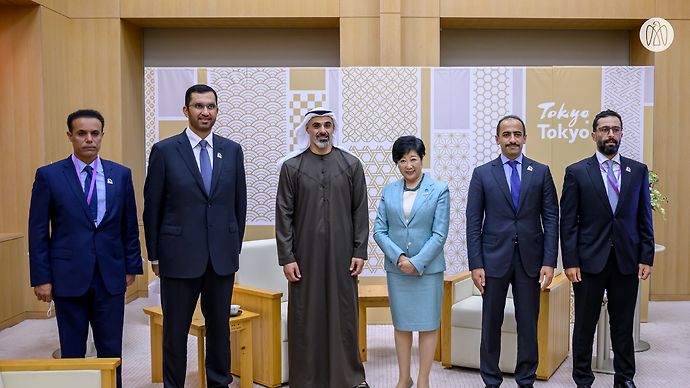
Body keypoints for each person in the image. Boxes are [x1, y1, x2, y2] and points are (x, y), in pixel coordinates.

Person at [28, 109, 142, 388]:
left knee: (111, 349)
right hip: (68, 276)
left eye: (95, 133)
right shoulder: (50, 176)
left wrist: (131, 266)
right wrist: (41, 277)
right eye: (82, 133)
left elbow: (129, 226)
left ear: (103, 135)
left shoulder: (121, 174)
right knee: (73, 349)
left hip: (110, 276)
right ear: (70, 136)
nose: (89, 139)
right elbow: (38, 231)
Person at [143, 84, 247, 388]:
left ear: (217, 110)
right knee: (175, 330)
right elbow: (153, 207)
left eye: (211, 106)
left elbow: (238, 204)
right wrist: (155, 254)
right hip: (177, 256)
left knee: (219, 329)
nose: (205, 112)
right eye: (199, 106)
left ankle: (219, 383)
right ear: (186, 110)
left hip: (220, 257)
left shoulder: (231, 150)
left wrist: (232, 246)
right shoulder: (164, 150)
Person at [275, 108, 369, 388]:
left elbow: (360, 212)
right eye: (316, 125)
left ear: (334, 129)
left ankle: (348, 377)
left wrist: (359, 251)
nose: (322, 130)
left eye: (327, 125)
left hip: (343, 256)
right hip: (305, 257)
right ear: (307, 130)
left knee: (344, 315)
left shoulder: (351, 164)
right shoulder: (292, 167)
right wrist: (287, 257)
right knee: (306, 315)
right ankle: (306, 379)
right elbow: (284, 216)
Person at [561, 109, 654, 388]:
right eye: (604, 129)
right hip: (589, 261)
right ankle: (582, 379)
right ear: (594, 135)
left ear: (622, 133)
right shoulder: (577, 172)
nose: (610, 134)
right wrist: (570, 261)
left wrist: (645, 256)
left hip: (626, 259)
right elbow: (569, 222)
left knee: (623, 325)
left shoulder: (637, 171)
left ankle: (625, 378)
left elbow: (643, 217)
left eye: (615, 129)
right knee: (585, 325)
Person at [466, 115, 559, 388]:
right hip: (493, 259)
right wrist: (476, 263)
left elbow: (551, 218)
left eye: (517, 134)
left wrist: (549, 261)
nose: (512, 139)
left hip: (531, 260)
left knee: (528, 324)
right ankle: (491, 380)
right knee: (491, 323)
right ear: (497, 139)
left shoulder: (541, 171)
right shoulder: (482, 173)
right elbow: (473, 221)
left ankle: (526, 379)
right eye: (506, 135)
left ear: (525, 138)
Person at [373, 136, 450, 388]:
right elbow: (379, 231)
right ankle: (403, 378)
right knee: (402, 324)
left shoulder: (439, 190)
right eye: (403, 160)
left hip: (427, 271)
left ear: (422, 159)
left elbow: (439, 233)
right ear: (397, 163)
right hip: (398, 270)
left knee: (428, 325)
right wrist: (400, 258)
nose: (409, 165)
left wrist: (417, 262)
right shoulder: (389, 191)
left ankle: (423, 379)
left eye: (413, 159)